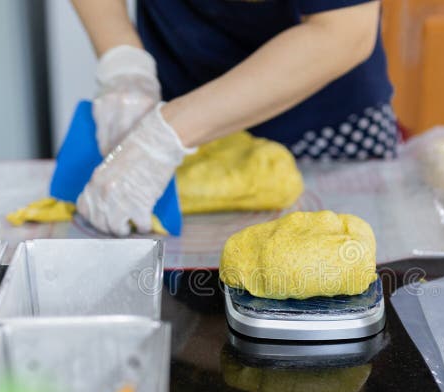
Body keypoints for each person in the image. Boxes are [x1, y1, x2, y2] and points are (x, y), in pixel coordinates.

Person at [72, 0, 398, 236]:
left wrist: (164, 135)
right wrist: (123, 59)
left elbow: (344, 32)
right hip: (181, 92)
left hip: (326, 119)